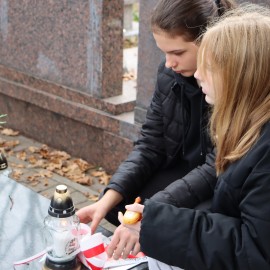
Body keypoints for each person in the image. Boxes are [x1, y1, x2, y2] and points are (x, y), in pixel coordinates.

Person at [77, 0, 235, 256]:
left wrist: (151, 213)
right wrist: (105, 200)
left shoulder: (231, 82)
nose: (169, 62)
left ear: (210, 41)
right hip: (180, 170)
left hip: (221, 182)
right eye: (163, 52)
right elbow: (150, 143)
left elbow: (216, 167)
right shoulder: (168, 74)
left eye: (178, 53)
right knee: (122, 207)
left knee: (157, 225)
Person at [119, 4, 270, 269]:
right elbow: (150, 142)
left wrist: (158, 223)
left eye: (209, 67)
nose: (199, 75)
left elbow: (253, 250)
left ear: (241, 76)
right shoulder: (249, 126)